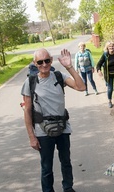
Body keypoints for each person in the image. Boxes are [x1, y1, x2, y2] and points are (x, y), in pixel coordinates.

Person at [21, 48, 86, 192]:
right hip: (42, 131)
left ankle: (68, 188)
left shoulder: (59, 76)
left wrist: (69, 67)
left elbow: (81, 87)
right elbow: (27, 111)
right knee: (46, 167)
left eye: (47, 60)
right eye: (40, 62)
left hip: (63, 127)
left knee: (66, 162)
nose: (44, 64)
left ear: (51, 60)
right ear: (35, 63)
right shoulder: (30, 82)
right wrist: (32, 137)